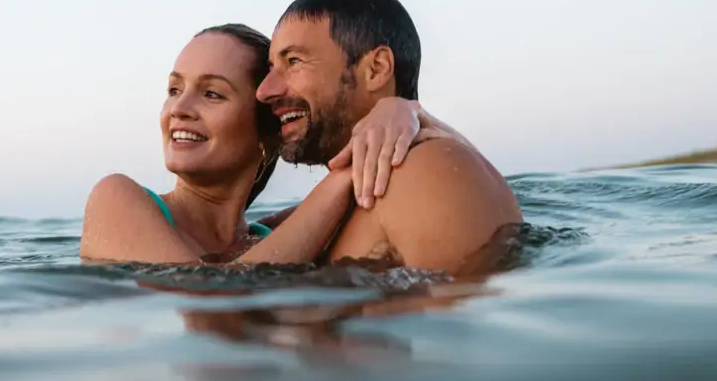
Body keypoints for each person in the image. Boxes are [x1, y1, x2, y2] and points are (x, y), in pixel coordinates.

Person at [79, 23, 468, 265]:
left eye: (212, 94)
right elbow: (203, 294)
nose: (179, 108)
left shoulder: (279, 233)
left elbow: (468, 180)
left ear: (269, 133)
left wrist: (406, 112)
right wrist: (343, 175)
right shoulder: (117, 199)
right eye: (174, 88)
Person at [257, 0, 523, 274]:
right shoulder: (316, 212)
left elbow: (466, 314)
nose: (265, 91)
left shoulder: (429, 171)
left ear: (376, 69)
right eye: (270, 69)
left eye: (294, 61)